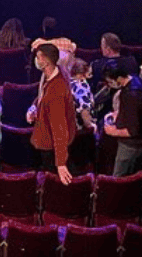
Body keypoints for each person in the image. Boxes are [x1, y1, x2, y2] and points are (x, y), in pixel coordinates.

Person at [27, 43, 76, 184]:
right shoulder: (50, 77)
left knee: (52, 182)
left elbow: (59, 127)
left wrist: (60, 163)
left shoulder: (57, 90)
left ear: (45, 60)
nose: (36, 60)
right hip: (45, 139)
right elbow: (43, 98)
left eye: (37, 57)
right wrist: (34, 108)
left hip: (51, 147)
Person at [102, 58, 142, 176]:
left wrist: (112, 132)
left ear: (116, 78)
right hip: (136, 144)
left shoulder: (131, 95)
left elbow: (133, 131)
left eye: (109, 81)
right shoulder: (135, 81)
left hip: (130, 146)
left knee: (119, 180)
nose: (109, 85)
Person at [69, 59, 94, 128]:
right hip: (77, 127)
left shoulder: (65, 82)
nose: (90, 76)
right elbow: (84, 110)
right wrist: (90, 126)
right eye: (89, 73)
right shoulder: (81, 87)